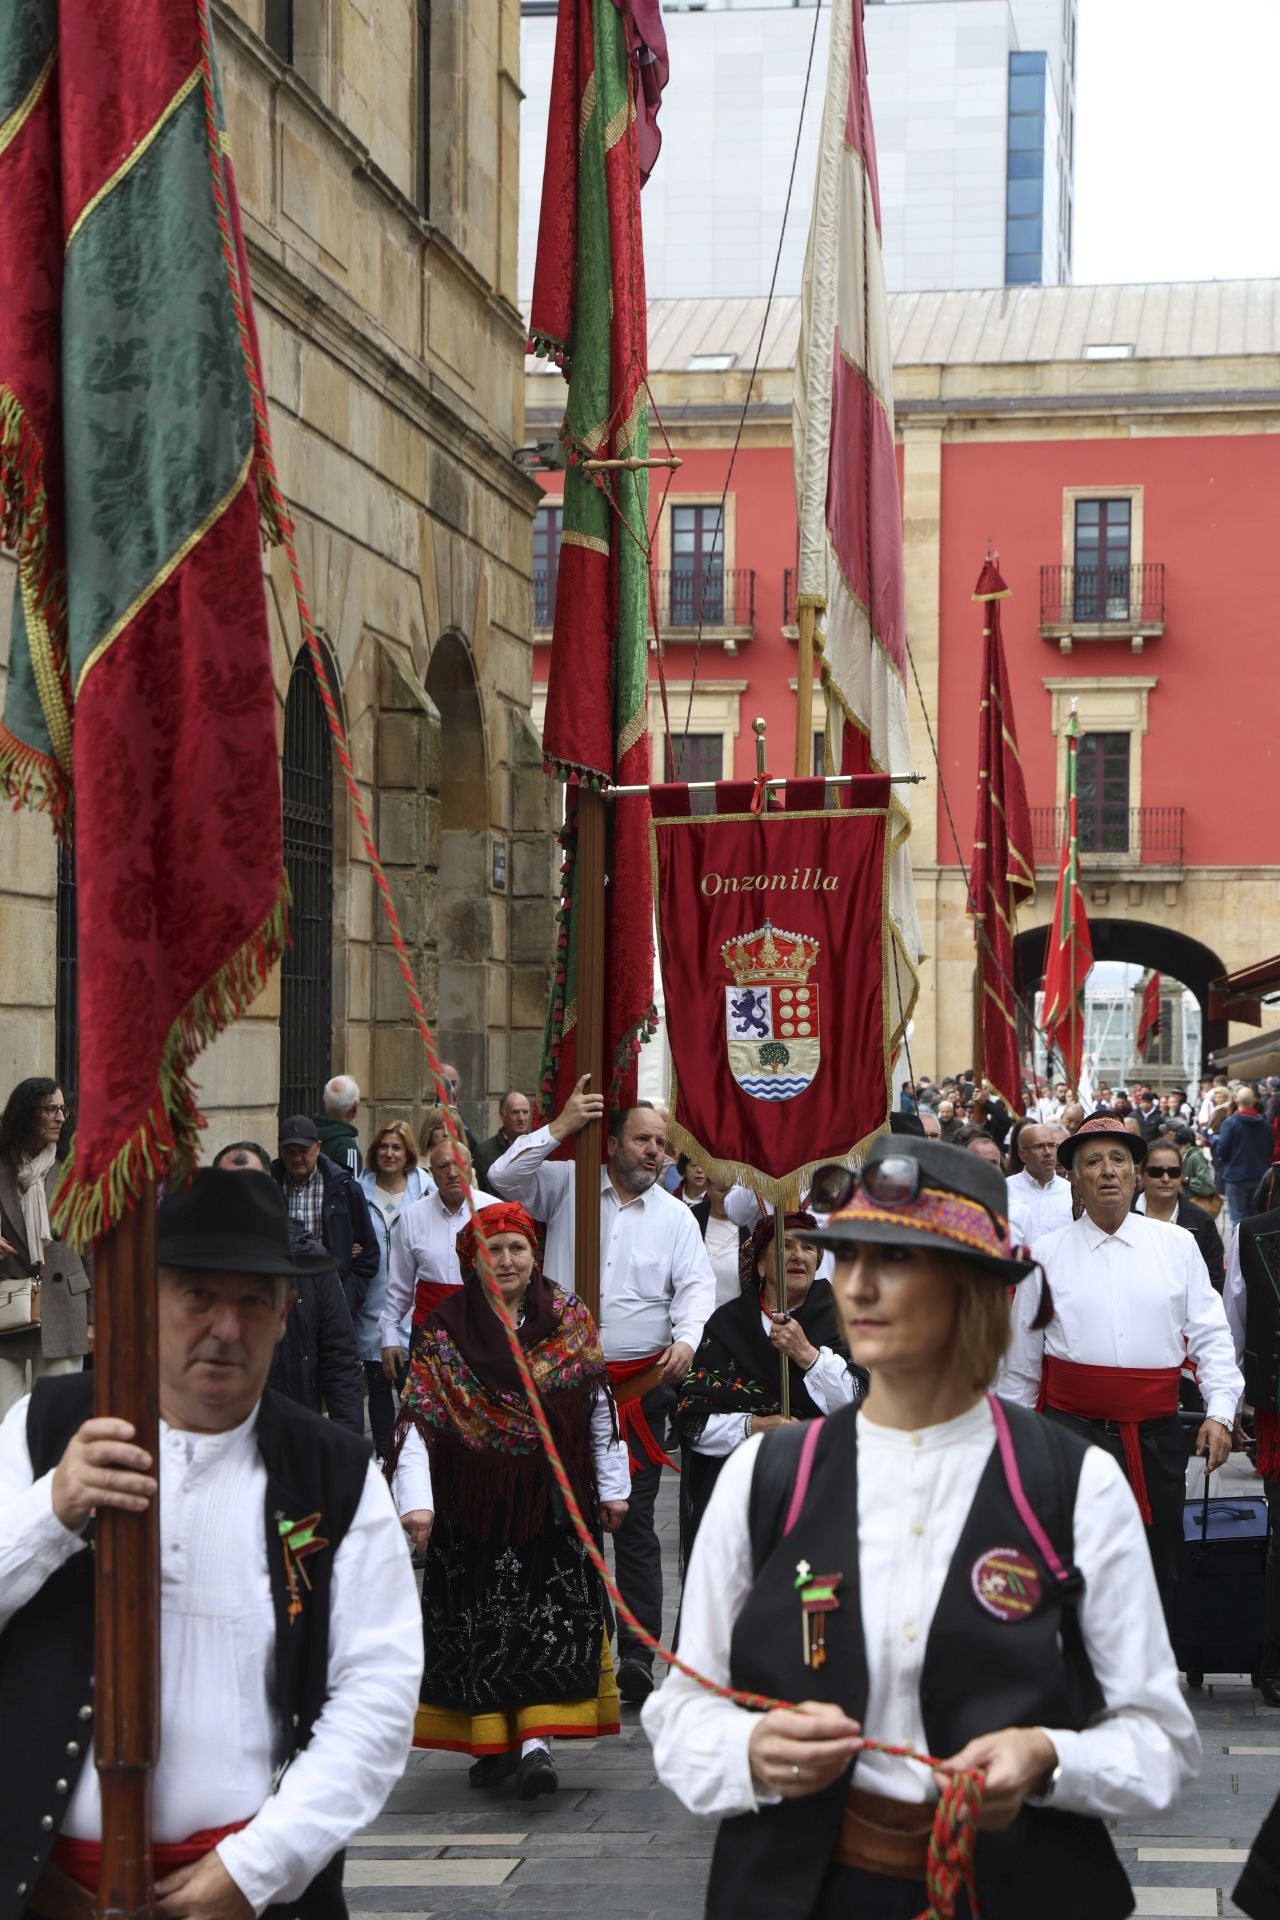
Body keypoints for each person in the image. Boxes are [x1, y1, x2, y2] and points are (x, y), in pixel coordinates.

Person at [643, 1136, 1200, 1919]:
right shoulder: (769, 1478)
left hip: (1015, 1890)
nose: (858, 1284)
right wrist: (747, 1750)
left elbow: (1159, 1742)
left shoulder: (1069, 1483)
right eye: (852, 1256)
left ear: (975, 1287)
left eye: (897, 1260)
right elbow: (680, 1713)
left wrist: (1050, 1758)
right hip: (803, 1891)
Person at [0, 1168, 422, 1918]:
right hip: (44, 1893)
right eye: (199, 1296)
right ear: (149, 1299)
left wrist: (257, 1867)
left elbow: (377, 1699)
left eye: (253, 1302)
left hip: (248, 1894)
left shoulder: (335, 1474)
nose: (226, 1328)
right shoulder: (42, 1430)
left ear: (286, 1313)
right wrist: (51, 1511)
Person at [389, 1201, 628, 1798]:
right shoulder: (445, 1329)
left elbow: (598, 1407)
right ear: (473, 1258)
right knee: (484, 1628)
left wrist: (614, 1487)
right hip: (473, 1510)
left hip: (551, 1506)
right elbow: (417, 1420)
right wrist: (416, 1504)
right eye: (493, 1249)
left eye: (516, 1248)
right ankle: (493, 1742)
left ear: (534, 1255)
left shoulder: (570, 1318)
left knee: (544, 1624)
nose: (506, 1260)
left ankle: (536, 1744)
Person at [488, 1080, 716, 1704]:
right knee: (563, 1520)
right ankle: (577, 1646)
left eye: (662, 1144)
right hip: (559, 1386)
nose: (655, 1152)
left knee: (635, 1522)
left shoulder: (675, 1219)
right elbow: (503, 1176)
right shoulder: (566, 1184)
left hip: (640, 1387)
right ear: (611, 1142)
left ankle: (639, 1654)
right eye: (643, 1139)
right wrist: (560, 1127)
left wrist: (688, 1341)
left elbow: (696, 1288)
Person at [1002, 1115, 1243, 1626]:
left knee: (1158, 1560)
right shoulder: (1044, 1257)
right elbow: (1020, 1368)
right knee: (1076, 1559)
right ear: (1074, 1177)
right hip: (1070, 1436)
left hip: (1156, 1437)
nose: (1107, 1171)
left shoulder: (1176, 1246)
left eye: (1117, 1160)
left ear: (1135, 1173)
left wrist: (1220, 1412)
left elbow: (1211, 1336)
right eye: (1093, 1161)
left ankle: (1147, 1680)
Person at [675, 1212, 861, 1559]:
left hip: (823, 1490)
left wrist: (806, 1354)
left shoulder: (847, 1320)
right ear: (761, 1265)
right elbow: (693, 1424)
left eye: (809, 1248)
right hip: (743, 1496)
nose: (798, 1255)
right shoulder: (727, 1325)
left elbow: (862, 1405)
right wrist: (755, 1427)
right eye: (786, 1246)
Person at [213, 1143, 364, 1435]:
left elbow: (340, 1357)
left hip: (290, 1430)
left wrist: (347, 1446)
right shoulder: (193, 1266)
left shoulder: (309, 1259)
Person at [0, 1079, 91, 1420]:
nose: (59, 1118)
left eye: (62, 1109)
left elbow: (93, 1250)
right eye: (50, 1109)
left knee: (57, 1420)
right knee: (5, 1421)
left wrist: (94, 1319)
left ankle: (51, 1476)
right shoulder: (2, 1167)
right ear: (27, 1113)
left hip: (64, 1307)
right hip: (7, 1309)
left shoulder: (76, 1172)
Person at [379, 1135, 499, 1379]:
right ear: (432, 1172)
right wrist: (389, 1336)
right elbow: (399, 1286)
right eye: (444, 1166)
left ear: (470, 1166)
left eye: (459, 1164)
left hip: (483, 1331)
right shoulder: (412, 1216)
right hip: (429, 1331)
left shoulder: (494, 1212)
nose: (452, 1173)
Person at [357, 1121, 429, 1459]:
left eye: (396, 1148)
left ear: (408, 1154)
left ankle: (413, 1456)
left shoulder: (425, 1190)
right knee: (377, 1384)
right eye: (383, 1147)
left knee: (410, 1388)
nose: (389, 1153)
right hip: (371, 1300)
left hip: (411, 1302)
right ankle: (385, 1455)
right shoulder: (358, 1190)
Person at [273, 1115, 379, 1320]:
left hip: (329, 1299)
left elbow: (369, 1253)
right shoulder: (269, 1186)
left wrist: (346, 1298)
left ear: (318, 1147)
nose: (297, 1159)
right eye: (289, 1152)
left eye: (303, 1151)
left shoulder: (344, 1189)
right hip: (281, 1299)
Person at [1135, 1137, 1225, 1292]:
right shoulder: (1121, 1214)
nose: (1165, 1179)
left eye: (1173, 1172)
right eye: (1156, 1172)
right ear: (1141, 1173)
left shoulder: (1202, 1222)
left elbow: (1214, 1281)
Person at [1214, 1087, 1276, 1227]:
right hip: (1258, 1175)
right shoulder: (1265, 1125)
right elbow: (1270, 1150)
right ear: (1254, 1102)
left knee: (1238, 1218)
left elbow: (1222, 1150)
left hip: (1235, 1177)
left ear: (1236, 1100)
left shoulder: (1230, 1123)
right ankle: (1253, 1248)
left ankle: (1240, 1248)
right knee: (1255, 1218)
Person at [687, 1172, 749, 1309]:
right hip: (695, 1313)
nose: (727, 1198)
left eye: (733, 1191)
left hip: (735, 1317)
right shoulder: (691, 1218)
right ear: (708, 1186)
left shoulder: (750, 1224)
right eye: (721, 1190)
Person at [1005, 1122, 1072, 1247]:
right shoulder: (1006, 1190)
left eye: (1052, 1145)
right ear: (1022, 1154)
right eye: (1039, 1146)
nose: (1047, 1152)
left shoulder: (1070, 1191)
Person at [473, 1090, 532, 1190]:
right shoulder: (483, 1152)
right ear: (502, 1115)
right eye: (515, 1112)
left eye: (525, 1112)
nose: (521, 1118)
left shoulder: (538, 1147)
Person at [313, 1074, 363, 1178]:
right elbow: (353, 1189)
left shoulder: (308, 1134)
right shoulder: (348, 1147)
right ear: (355, 1107)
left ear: (324, 1099)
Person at [437, 1064, 481, 1159]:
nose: (452, 1090)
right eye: (448, 1084)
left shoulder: (457, 1113)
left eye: (454, 1084)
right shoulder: (435, 1115)